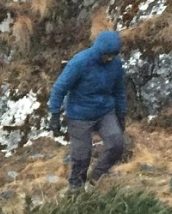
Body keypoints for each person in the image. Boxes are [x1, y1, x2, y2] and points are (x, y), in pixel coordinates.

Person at [47, 29, 126, 191]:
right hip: (79, 115)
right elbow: (59, 87)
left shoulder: (116, 65)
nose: (109, 58)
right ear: (99, 50)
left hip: (105, 111)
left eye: (113, 55)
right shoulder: (80, 62)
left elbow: (119, 90)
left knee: (117, 144)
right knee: (81, 155)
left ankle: (97, 176)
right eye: (107, 55)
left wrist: (121, 113)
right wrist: (54, 113)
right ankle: (75, 188)